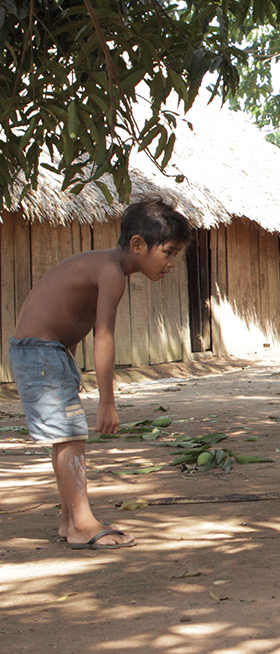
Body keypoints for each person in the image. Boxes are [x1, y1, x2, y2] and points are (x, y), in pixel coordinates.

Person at [8, 198, 191, 550]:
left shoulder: (103, 265)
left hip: (46, 350)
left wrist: (66, 360)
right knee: (71, 436)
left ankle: (69, 519)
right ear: (138, 244)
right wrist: (107, 402)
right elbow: (103, 337)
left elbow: (67, 314)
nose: (171, 263)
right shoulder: (111, 273)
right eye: (168, 253)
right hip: (40, 351)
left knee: (66, 437)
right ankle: (81, 523)